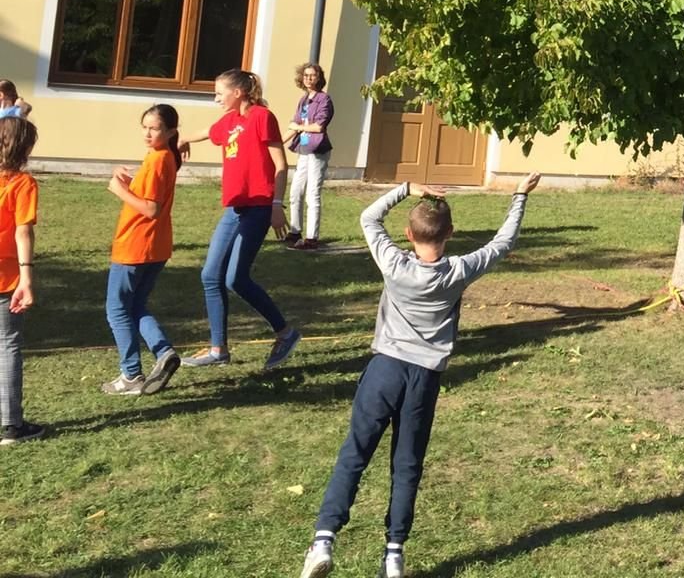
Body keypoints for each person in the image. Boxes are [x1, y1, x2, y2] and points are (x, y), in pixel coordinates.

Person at [300, 174, 542, 578]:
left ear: (408, 234)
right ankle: (394, 554)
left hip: (384, 371)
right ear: (450, 233)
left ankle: (324, 539)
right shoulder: (459, 270)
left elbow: (368, 217)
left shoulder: (394, 262)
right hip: (424, 379)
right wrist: (519, 196)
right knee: (407, 465)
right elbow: (503, 243)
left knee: (355, 454)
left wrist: (407, 189)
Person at [177, 69, 301, 370]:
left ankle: (286, 333)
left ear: (238, 92)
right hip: (235, 208)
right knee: (210, 275)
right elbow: (208, 132)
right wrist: (181, 139)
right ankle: (218, 349)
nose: (216, 98)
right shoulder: (229, 121)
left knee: (235, 278)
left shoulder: (262, 117)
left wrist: (277, 204)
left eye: (219, 93)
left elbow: (280, 164)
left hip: (258, 207)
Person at [102, 104, 184, 396]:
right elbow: (150, 192)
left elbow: (151, 208)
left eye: (155, 128)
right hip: (155, 246)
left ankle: (131, 375)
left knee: (117, 309)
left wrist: (119, 190)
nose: (148, 133)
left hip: (136, 245)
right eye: (145, 127)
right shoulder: (163, 156)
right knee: (136, 305)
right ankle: (164, 353)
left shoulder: (159, 159)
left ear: (171, 132)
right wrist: (129, 181)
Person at [0, 116, 43, 444]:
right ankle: (11, 425)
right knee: (7, 344)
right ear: (25, 148)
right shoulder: (23, 184)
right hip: (6, 276)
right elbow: (22, 231)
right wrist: (26, 278)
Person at [285, 62, 335, 251]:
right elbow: (294, 125)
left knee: (312, 194)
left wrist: (298, 127)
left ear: (319, 78)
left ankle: (311, 238)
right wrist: (275, 144)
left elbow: (319, 127)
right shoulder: (304, 100)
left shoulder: (324, 99)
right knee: (295, 191)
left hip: (317, 150)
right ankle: (295, 231)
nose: (308, 78)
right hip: (304, 150)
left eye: (312, 75)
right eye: (305, 75)